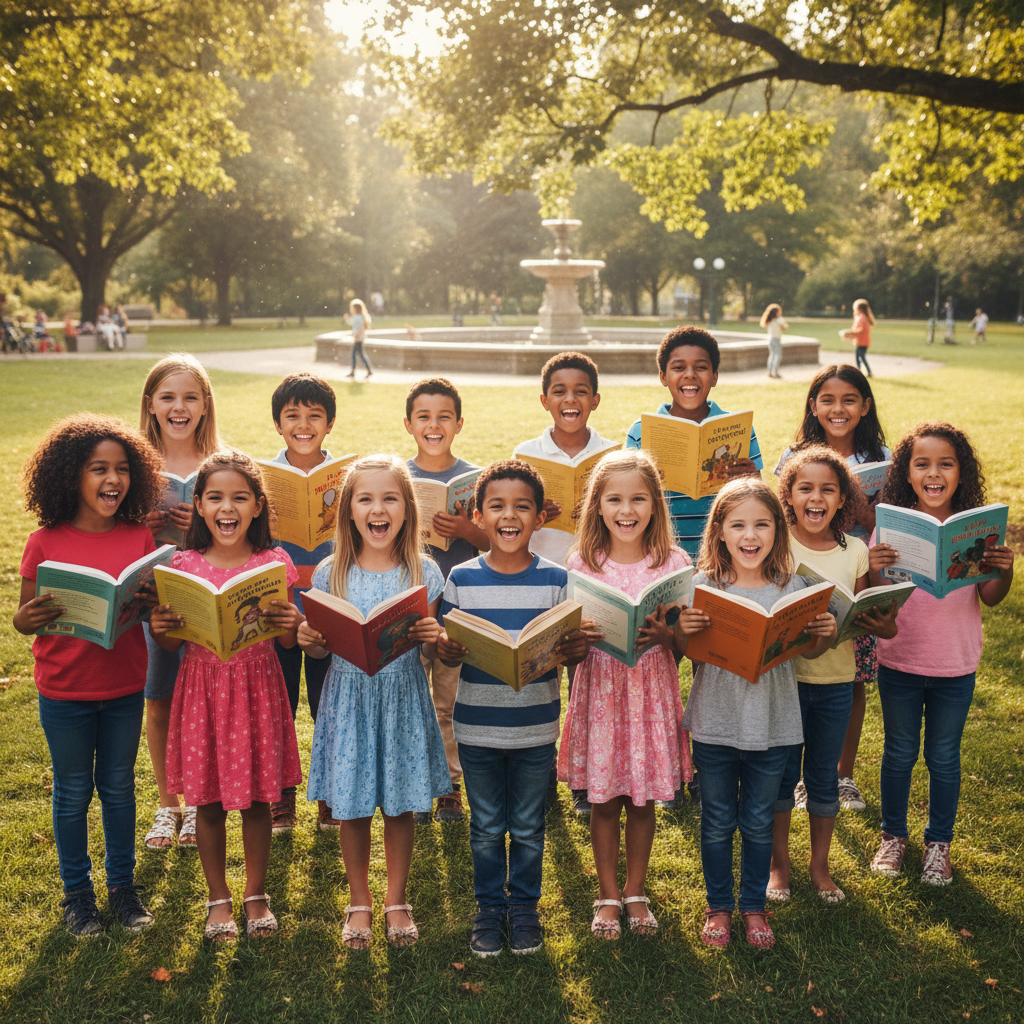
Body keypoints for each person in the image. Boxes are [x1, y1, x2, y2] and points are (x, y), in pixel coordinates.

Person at [14, 414, 166, 936]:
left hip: (124, 686)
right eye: (98, 468)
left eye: (122, 469)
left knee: (120, 789)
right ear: (69, 475)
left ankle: (123, 888)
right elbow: (22, 615)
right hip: (65, 691)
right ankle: (78, 895)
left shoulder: (138, 535)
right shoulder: (44, 541)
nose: (113, 480)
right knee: (73, 792)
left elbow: (149, 608)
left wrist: (146, 604)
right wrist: (24, 619)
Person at [436, 460, 590, 958]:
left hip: (534, 728)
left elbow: (571, 650)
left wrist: (575, 649)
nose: (509, 516)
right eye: (497, 506)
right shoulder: (460, 577)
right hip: (477, 727)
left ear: (538, 517)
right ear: (478, 516)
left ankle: (524, 908)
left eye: (521, 507)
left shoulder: (556, 580)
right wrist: (448, 648)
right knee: (485, 828)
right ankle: (488, 909)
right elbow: (443, 641)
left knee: (527, 826)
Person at [675, 478, 837, 949]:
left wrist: (823, 631)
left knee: (760, 819)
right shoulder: (700, 587)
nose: (750, 536)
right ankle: (719, 907)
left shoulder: (796, 586)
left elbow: (811, 650)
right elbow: (691, 656)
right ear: (719, 532)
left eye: (762, 525)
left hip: (775, 724)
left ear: (777, 531)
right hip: (715, 723)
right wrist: (684, 632)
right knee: (718, 819)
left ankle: (753, 906)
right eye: (738, 525)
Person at [298, 455, 451, 949]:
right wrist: (310, 640)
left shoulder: (422, 569)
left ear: (407, 509)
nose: (378, 509)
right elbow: (323, 645)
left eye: (390, 498)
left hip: (402, 695)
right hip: (348, 699)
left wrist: (433, 635)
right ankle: (359, 899)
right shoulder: (330, 571)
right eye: (366, 499)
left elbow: (430, 648)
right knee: (352, 802)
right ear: (348, 510)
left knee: (401, 803)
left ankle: (396, 900)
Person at [149, 450, 303, 941]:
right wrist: (160, 626)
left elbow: (285, 641)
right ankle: (218, 897)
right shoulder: (183, 564)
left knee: (259, 797)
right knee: (209, 800)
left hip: (258, 687)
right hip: (202, 693)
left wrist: (290, 623)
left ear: (257, 506)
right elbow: (171, 645)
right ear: (198, 505)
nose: (226, 507)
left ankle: (256, 893)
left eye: (239, 497)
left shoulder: (273, 563)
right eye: (215, 497)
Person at [867, 423, 1014, 886]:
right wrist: (875, 570)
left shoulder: (976, 529)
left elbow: (991, 597)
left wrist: (1003, 570)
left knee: (944, 758)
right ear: (907, 474)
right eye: (923, 464)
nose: (934, 472)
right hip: (901, 661)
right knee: (899, 753)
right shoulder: (891, 529)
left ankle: (938, 845)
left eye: (945, 464)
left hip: (955, 664)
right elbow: (877, 598)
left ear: (960, 472)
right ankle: (893, 836)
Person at [626, 325, 763, 810]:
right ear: (663, 375)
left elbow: (757, 491)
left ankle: (707, 767)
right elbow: (629, 487)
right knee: (662, 662)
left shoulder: (736, 429)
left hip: (718, 559)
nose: (690, 375)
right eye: (679, 367)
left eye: (701, 367)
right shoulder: (643, 430)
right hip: (662, 558)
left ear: (715, 375)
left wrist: (748, 476)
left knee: (711, 658)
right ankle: (663, 763)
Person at [559, 450, 693, 939]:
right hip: (601, 691)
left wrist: (667, 636)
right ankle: (608, 893)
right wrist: (578, 641)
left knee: (642, 801)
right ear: (597, 506)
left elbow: (685, 643)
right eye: (614, 499)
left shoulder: (674, 563)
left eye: (638, 498)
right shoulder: (583, 562)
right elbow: (570, 647)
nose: (626, 509)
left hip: (650, 692)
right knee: (604, 798)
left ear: (655, 505)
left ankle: (636, 891)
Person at [768, 447, 899, 905]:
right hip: (785, 683)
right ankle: (778, 868)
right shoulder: (778, 545)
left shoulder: (856, 550)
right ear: (789, 495)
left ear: (843, 499)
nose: (816, 497)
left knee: (823, 777)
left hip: (837, 682)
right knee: (783, 778)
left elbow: (862, 613)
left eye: (828, 489)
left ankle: (819, 867)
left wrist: (876, 611)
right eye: (805, 488)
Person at [775, 365, 891, 813]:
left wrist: (861, 505)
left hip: (854, 570)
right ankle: (804, 777)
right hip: (802, 573)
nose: (837, 408)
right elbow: (784, 511)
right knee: (800, 677)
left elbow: (890, 523)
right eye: (827, 399)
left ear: (865, 406)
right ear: (813, 405)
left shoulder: (881, 456)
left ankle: (841, 775)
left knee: (852, 679)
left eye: (849, 400)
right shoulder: (795, 455)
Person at [513, 352, 618, 814]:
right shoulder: (526, 455)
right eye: (559, 391)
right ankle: (537, 779)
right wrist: (536, 517)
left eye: (580, 391)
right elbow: (508, 521)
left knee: (589, 681)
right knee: (540, 680)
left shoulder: (613, 454)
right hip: (541, 578)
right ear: (544, 400)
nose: (569, 399)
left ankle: (581, 775)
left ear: (595, 400)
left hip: (595, 579)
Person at [138, 354, 222, 851]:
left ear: (205, 406)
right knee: (159, 700)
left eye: (190, 397)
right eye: (168, 397)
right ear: (151, 405)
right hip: (153, 599)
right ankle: (168, 803)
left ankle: (197, 802)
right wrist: (141, 525)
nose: (179, 407)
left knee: (203, 702)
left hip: (208, 597)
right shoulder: (133, 464)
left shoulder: (221, 463)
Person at [404, 378, 491, 824]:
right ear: (408, 424)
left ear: (458, 423)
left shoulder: (476, 480)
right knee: (414, 694)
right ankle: (419, 782)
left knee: (449, 698)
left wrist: (467, 532)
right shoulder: (398, 478)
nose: (433, 425)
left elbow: (496, 542)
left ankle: (451, 788)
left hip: (459, 602)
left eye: (443, 417)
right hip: (411, 602)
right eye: (424, 416)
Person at [266, 372, 340, 833]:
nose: (303, 424)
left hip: (331, 607)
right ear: (278, 424)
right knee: (279, 705)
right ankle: (281, 797)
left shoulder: (346, 476)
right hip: (275, 608)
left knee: (327, 704)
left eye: (314, 415)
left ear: (329, 423)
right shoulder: (262, 478)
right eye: (292, 415)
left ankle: (329, 793)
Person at [846, 299, 874, 377]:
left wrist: (851, 333)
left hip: (862, 341)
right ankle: (864, 373)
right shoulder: (862, 316)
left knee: (860, 358)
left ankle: (865, 373)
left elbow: (861, 330)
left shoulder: (862, 317)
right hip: (862, 341)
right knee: (860, 357)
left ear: (859, 308)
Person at [760, 303, 788, 379]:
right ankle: (775, 372)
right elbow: (784, 327)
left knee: (772, 355)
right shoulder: (779, 320)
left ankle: (770, 371)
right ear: (776, 312)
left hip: (770, 340)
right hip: (776, 340)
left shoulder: (769, 321)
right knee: (777, 356)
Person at [346, 298, 373, 379]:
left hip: (358, 339)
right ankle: (367, 370)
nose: (351, 309)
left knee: (357, 355)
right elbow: (352, 323)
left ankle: (354, 372)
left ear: (356, 309)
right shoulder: (358, 317)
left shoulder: (358, 317)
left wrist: (357, 336)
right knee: (360, 355)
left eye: (352, 308)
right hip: (359, 339)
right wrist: (347, 319)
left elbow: (360, 328)